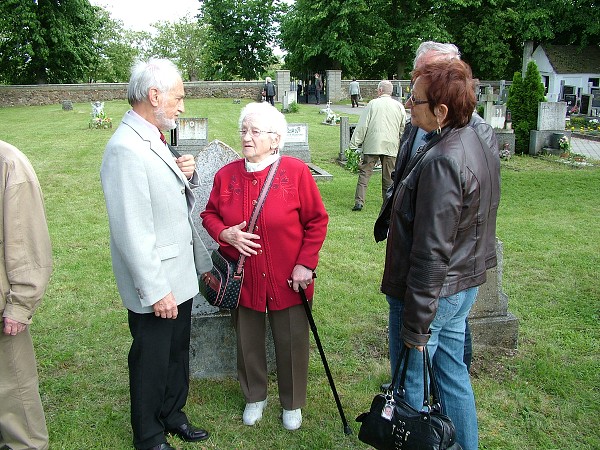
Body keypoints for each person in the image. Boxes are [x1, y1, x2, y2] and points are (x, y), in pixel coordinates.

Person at [374, 59, 500, 450]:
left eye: (415, 99)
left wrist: (415, 325)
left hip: (433, 292)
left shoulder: (445, 159)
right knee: (451, 372)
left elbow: (432, 250)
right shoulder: (472, 140)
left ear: (441, 111)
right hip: (462, 286)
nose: (408, 104)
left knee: (410, 385)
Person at [100, 58, 213, 450]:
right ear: (155, 96)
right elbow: (132, 230)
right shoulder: (125, 149)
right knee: (151, 359)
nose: (182, 106)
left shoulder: (152, 137)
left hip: (178, 274)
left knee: (176, 353)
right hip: (158, 282)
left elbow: (166, 198)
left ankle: (172, 414)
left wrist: (187, 172)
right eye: (179, 97)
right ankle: (148, 434)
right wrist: (155, 290)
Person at [200, 102, 328, 431]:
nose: (246, 137)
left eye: (255, 131)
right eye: (244, 130)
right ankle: (255, 395)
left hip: (289, 279)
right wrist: (224, 232)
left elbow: (316, 221)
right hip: (243, 279)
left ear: (275, 139)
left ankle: (292, 402)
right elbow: (209, 214)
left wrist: (305, 264)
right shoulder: (226, 176)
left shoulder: (296, 172)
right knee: (248, 339)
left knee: (292, 340)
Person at [0, 140, 52, 450]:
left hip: (4, 306)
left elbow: (26, 239)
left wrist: (20, 304)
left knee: (13, 389)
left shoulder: (9, 164)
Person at [350, 80, 406, 211]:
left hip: (373, 143)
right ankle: (388, 205)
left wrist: (354, 144)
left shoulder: (372, 104)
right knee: (389, 177)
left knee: (365, 173)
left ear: (380, 90)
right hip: (391, 145)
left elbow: (363, 125)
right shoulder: (399, 106)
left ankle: (359, 202)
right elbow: (403, 128)